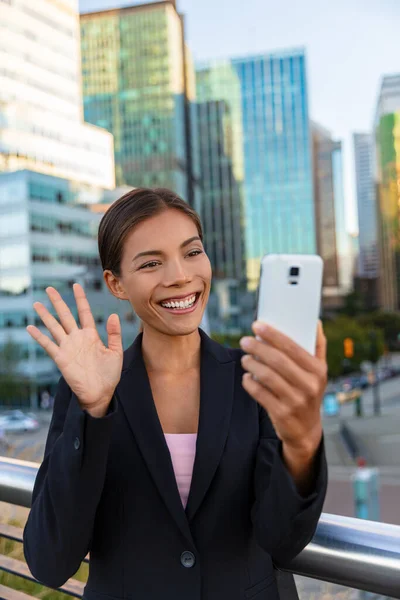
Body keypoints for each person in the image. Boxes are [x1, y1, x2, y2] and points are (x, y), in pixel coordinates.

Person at [23, 188, 328, 600]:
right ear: (116, 283)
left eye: (192, 252)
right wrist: (93, 413)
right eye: (151, 263)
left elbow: (282, 539)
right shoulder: (87, 389)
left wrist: (304, 443)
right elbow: (50, 561)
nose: (180, 276)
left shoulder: (255, 376)